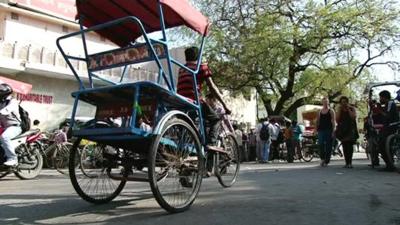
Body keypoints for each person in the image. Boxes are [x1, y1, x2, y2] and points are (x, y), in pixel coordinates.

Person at [177, 47, 231, 177]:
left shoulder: (182, 69)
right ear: (198, 56)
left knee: (189, 132)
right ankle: (211, 146)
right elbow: (212, 87)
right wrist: (225, 105)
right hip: (194, 101)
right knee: (216, 119)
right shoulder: (201, 67)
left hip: (181, 103)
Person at [375, 90, 398, 171]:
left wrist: (380, 110)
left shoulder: (391, 103)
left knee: (382, 144)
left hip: (391, 127)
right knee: (381, 144)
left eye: (380, 97)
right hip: (387, 127)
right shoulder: (387, 105)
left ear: (384, 97)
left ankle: (390, 164)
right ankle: (389, 164)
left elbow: (387, 116)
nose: (380, 99)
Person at [0, 83, 22, 166]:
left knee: (4, 137)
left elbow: (6, 111)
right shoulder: (1, 103)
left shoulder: (12, 102)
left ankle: (13, 158)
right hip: (5, 128)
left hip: (15, 127)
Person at [335, 96, 358, 168]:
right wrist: (339, 110)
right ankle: (346, 162)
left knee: (350, 146)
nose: (343, 104)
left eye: (345, 102)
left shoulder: (352, 108)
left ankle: (350, 162)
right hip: (342, 129)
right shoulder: (340, 109)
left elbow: (353, 117)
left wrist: (348, 109)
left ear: (347, 102)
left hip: (350, 129)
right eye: (342, 102)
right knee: (344, 145)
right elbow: (337, 119)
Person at [316, 97, 336, 167]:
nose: (325, 103)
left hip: (329, 130)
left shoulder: (331, 111)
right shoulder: (319, 111)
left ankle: (326, 160)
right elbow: (317, 121)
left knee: (328, 145)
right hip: (321, 130)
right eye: (323, 102)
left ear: (328, 102)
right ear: (322, 103)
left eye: (326, 102)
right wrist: (315, 129)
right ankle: (322, 158)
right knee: (320, 144)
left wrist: (334, 130)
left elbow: (333, 121)